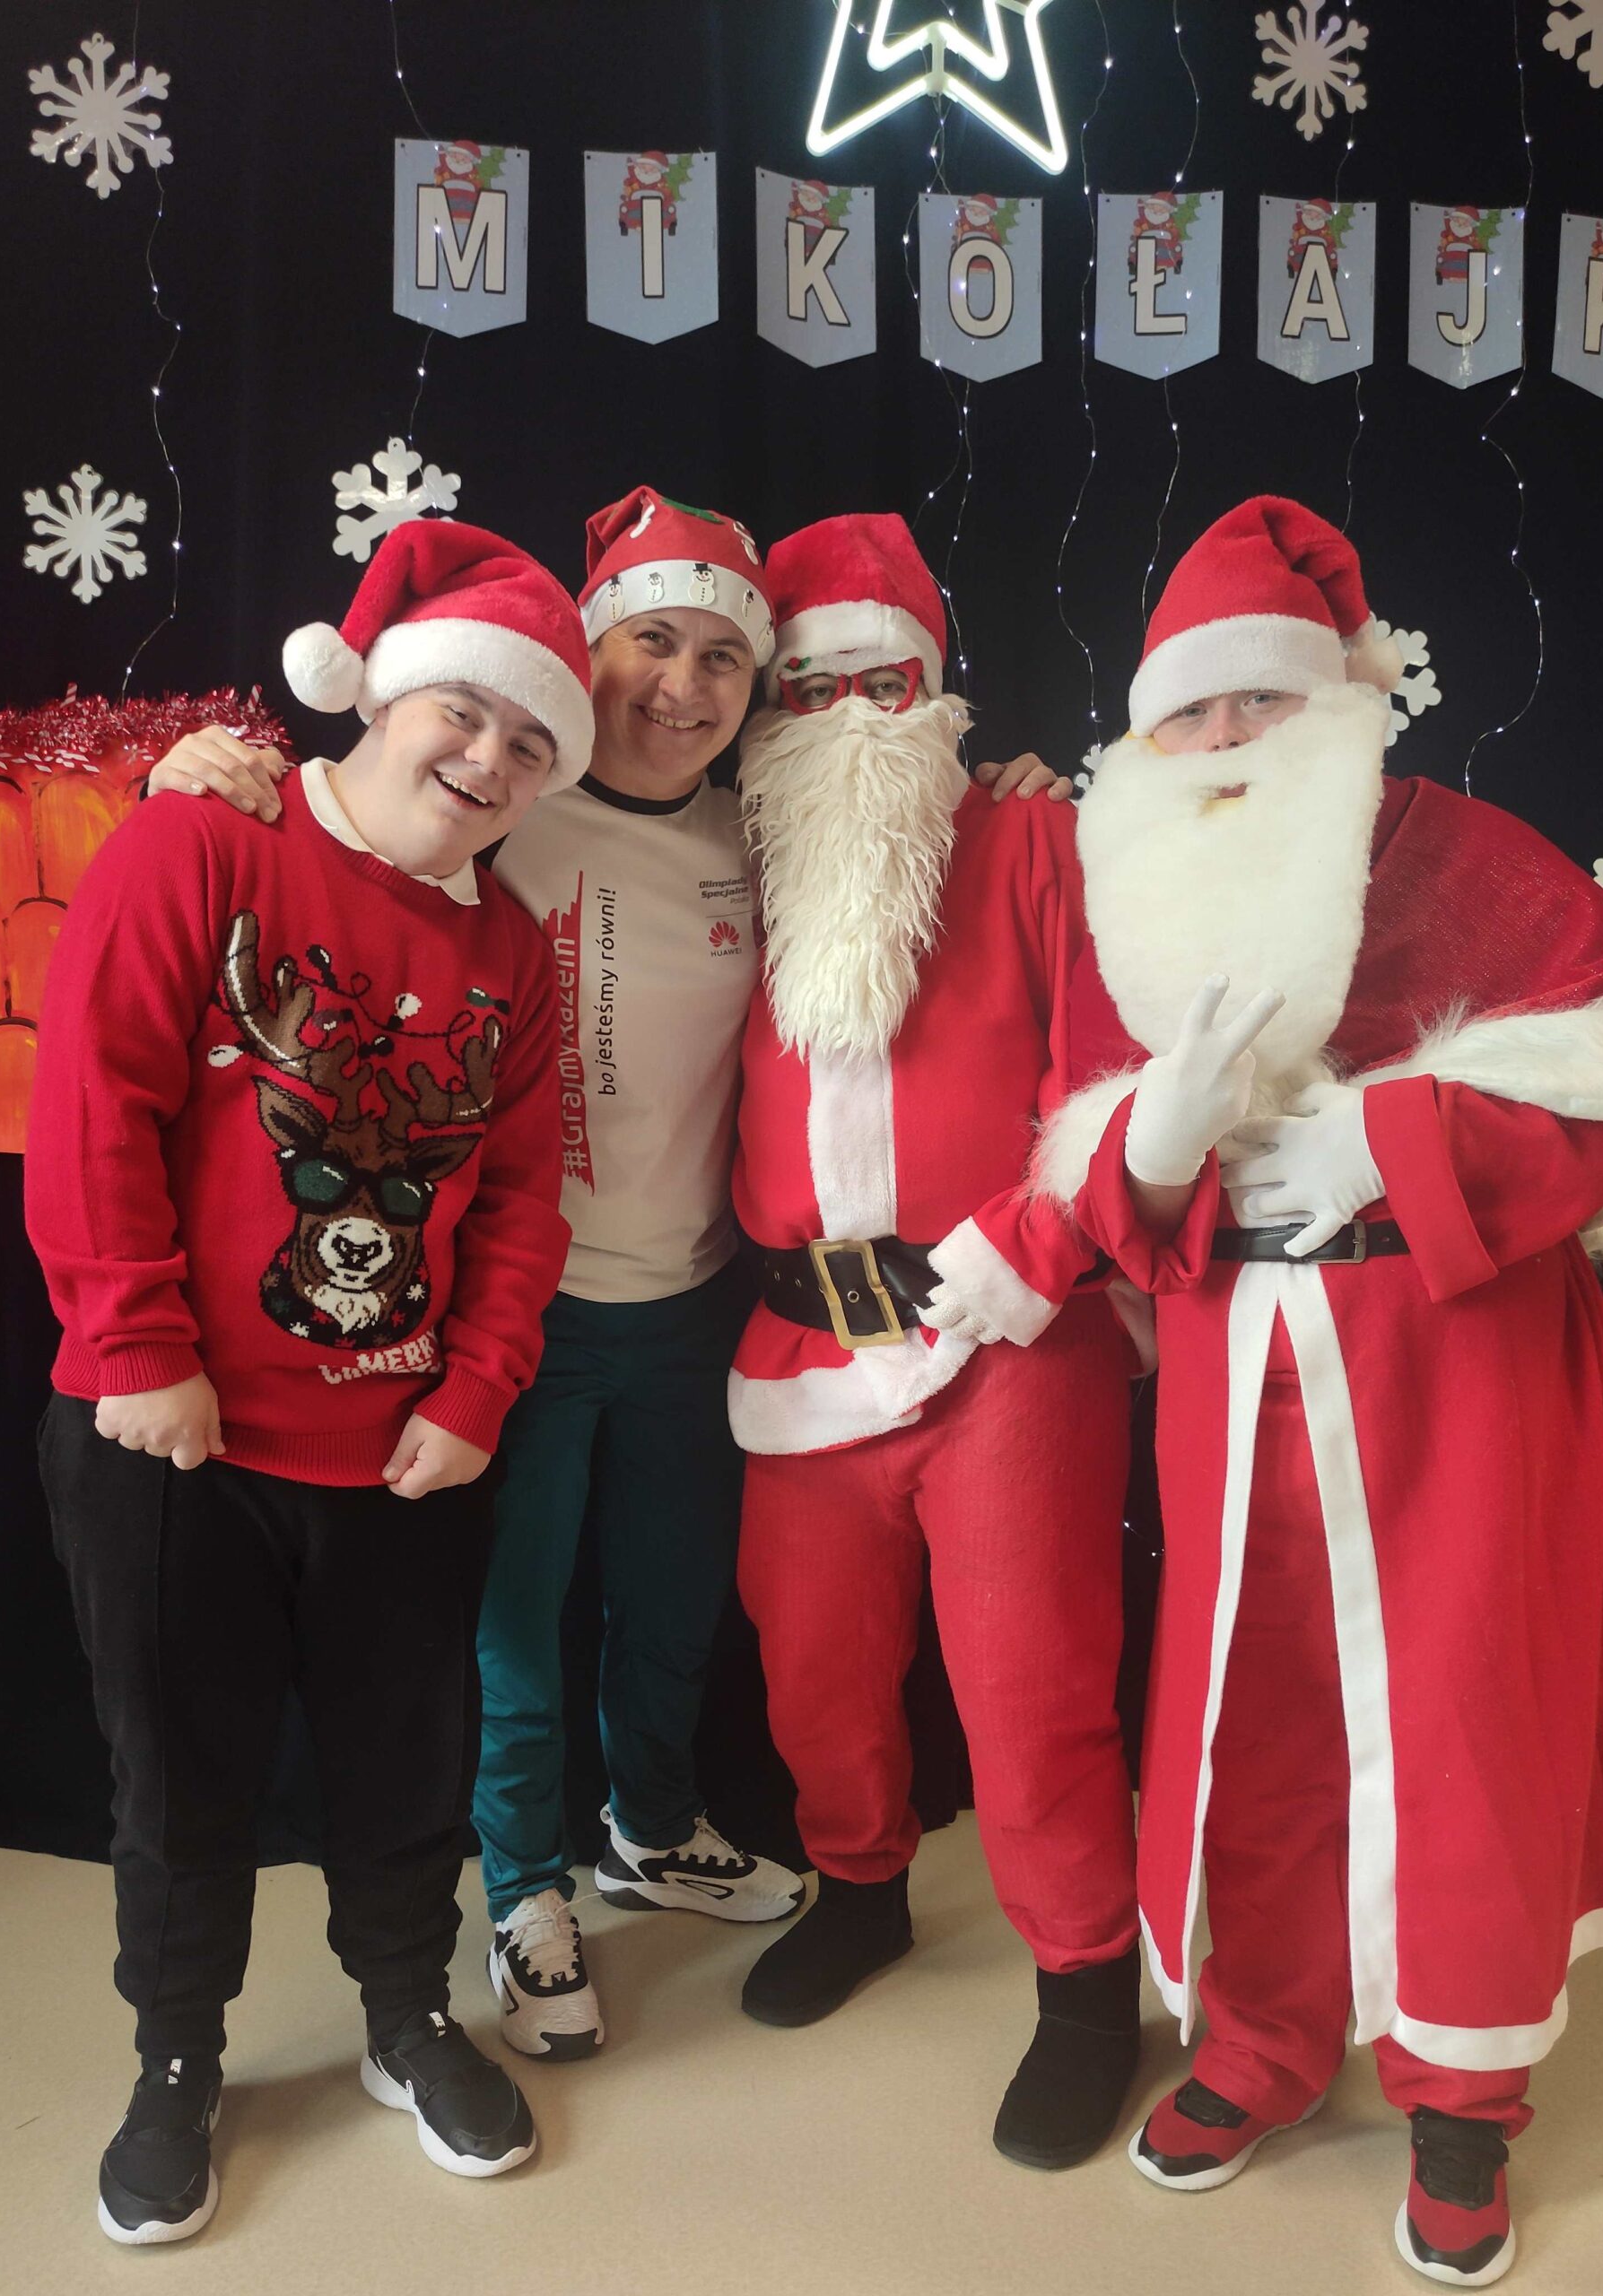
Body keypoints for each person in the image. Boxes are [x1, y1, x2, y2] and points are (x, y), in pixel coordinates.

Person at [1029, 496, 1603, 2282]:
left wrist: (1402, 1135)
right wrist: (1156, 1139)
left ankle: (1461, 2093)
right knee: (1248, 1713)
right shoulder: (1120, 900)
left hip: (1459, 1360)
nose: (1224, 739)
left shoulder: (1463, 853)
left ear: (1338, 706)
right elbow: (1081, 1179)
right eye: (1189, 711)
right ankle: (1261, 2042)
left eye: (1259, 701)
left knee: (1464, 1720)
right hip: (1232, 1366)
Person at [146, 487, 805, 2069]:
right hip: (516, 1313)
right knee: (512, 1634)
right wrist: (188, 768)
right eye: (653, 640)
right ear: (586, 656)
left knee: (672, 1605)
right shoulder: (497, 802)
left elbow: (921, 851)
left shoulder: (764, 835)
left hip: (695, 1297)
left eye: (723, 656)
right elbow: (328, 821)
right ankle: (524, 1894)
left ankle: (653, 1824)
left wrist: (1001, 783)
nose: (683, 685)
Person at [25, 520, 588, 2239]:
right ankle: (178, 2058)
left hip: (402, 1455)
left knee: (406, 1766)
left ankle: (406, 2018)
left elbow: (519, 1201)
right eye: (463, 714)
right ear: (383, 702)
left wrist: (478, 1389)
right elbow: (95, 1095)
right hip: (174, 1446)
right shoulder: (204, 839)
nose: (486, 760)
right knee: (179, 1780)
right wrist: (136, 1345)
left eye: (530, 743)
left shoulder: (514, 952)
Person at [726, 513, 1147, 2170]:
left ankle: (1085, 1985)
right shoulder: (732, 859)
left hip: (1007, 1338)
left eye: (880, 685)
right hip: (796, 1343)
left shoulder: (1037, 843)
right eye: (809, 689)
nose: (846, 718)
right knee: (813, 1668)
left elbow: (1108, 1093)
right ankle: (861, 1889)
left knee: (1032, 1686)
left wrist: (1020, 1263)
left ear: (935, 692)